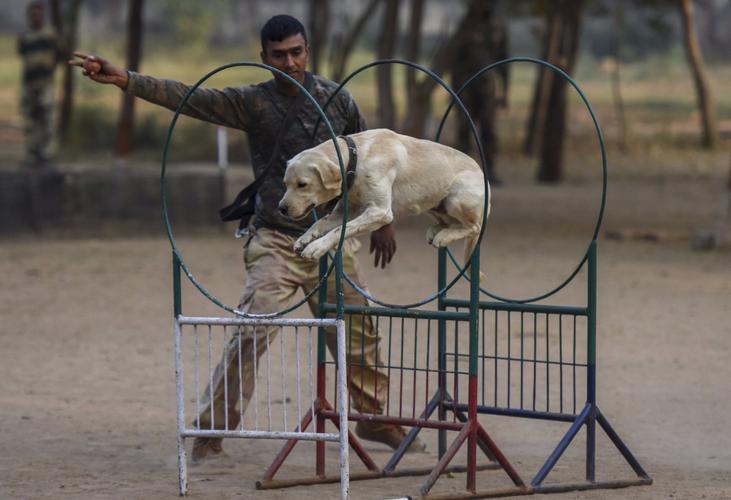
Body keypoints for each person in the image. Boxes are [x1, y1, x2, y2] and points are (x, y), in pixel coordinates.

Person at [70, 14, 423, 464]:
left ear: (307, 51)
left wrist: (384, 220)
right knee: (253, 328)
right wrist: (126, 80)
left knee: (359, 328)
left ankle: (374, 416)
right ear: (265, 58)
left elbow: (371, 158)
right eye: (279, 55)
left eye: (296, 52)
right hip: (276, 239)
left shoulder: (338, 100)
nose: (289, 62)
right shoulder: (252, 103)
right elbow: (192, 99)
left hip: (331, 239)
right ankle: (211, 430)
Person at [450, 1, 509, 185]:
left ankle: (489, 169)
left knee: (489, 129)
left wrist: (505, 92)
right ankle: (462, 172)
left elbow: (504, 61)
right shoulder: (465, 25)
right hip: (465, 85)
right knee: (463, 130)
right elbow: (453, 57)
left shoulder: (499, 26)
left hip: (487, 87)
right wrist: (454, 92)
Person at [17, 1, 61, 167]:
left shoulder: (50, 34)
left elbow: (59, 54)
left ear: (42, 15)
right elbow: (22, 54)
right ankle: (32, 154)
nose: (36, 17)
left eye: (38, 14)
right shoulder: (25, 36)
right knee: (30, 119)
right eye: (33, 14)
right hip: (29, 83)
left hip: (46, 83)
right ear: (30, 16)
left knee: (47, 118)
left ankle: (47, 155)